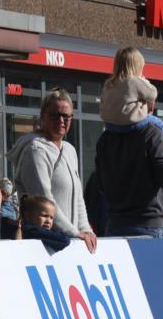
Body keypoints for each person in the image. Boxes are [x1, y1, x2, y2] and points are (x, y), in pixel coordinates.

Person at [7, 89, 97, 252]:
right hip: (44, 244)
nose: (61, 120)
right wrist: (74, 232)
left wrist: (85, 230)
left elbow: (78, 198)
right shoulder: (35, 150)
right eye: (55, 115)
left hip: (68, 242)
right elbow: (44, 199)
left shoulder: (70, 150)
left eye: (66, 116)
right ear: (43, 115)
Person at [99, 47, 163, 143]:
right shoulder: (134, 81)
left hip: (110, 125)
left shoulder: (108, 83)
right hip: (129, 124)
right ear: (137, 67)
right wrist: (143, 80)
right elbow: (153, 93)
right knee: (159, 123)